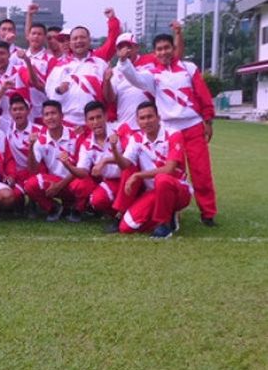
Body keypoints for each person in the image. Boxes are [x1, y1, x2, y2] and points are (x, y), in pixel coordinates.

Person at [117, 33, 217, 225]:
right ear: (154, 53)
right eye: (159, 49)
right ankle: (170, 210)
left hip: (193, 126)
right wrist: (122, 60)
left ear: (174, 48)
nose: (163, 52)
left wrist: (208, 120)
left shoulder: (189, 68)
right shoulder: (152, 74)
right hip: (170, 129)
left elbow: (203, 94)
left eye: (166, 48)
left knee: (201, 172)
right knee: (169, 174)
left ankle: (208, 213)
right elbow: (134, 78)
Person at [109, 101, 192, 238]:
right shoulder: (136, 138)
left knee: (162, 179)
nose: (146, 121)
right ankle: (169, 216)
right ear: (137, 121)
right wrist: (114, 149)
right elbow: (125, 164)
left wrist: (138, 175)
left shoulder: (173, 134)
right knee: (126, 227)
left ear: (158, 117)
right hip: (153, 192)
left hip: (178, 190)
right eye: (142, 118)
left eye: (150, 116)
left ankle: (164, 224)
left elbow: (169, 169)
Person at [23, 100, 80, 222]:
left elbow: (81, 169)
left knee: (83, 184)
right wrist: (31, 147)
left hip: (74, 180)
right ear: (43, 119)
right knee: (29, 184)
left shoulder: (75, 135)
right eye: (46, 114)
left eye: (53, 113)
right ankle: (54, 208)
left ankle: (78, 209)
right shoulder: (41, 140)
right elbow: (33, 169)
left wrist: (60, 185)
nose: (50, 117)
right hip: (55, 182)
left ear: (62, 116)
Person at [45, 25, 109, 128]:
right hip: (67, 123)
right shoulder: (59, 67)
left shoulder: (101, 65)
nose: (79, 41)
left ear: (89, 40)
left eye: (82, 37)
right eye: (75, 38)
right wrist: (59, 91)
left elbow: (110, 97)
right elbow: (50, 96)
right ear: (70, 43)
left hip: (95, 124)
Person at [66, 101, 122, 218]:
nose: (96, 122)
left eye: (99, 117)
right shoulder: (86, 144)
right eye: (91, 119)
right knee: (96, 200)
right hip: (111, 181)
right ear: (86, 122)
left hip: (130, 177)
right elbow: (83, 172)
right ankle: (116, 214)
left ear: (106, 116)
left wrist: (105, 161)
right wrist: (67, 165)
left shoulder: (121, 130)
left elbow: (130, 161)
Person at [0, 93, 42, 213]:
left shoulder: (39, 130)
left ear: (28, 111)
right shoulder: (7, 127)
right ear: (10, 112)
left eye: (21, 109)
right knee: (6, 198)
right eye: (15, 109)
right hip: (15, 174)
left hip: (35, 171)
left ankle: (35, 202)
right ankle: (20, 202)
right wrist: (2, 89)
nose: (18, 112)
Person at [0, 41, 38, 126]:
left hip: (24, 120)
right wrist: (2, 89)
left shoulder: (20, 70)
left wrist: (27, 61)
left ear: (9, 55)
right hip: (4, 122)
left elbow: (33, 82)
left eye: (2, 53)